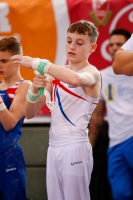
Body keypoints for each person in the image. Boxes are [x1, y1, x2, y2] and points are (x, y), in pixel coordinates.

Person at [11, 20, 101, 200]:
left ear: (92, 47)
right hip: (53, 147)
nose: (72, 46)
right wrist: (34, 91)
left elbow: (75, 80)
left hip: (75, 146)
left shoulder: (92, 73)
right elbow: (29, 113)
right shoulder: (55, 76)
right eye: (69, 41)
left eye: (79, 42)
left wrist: (37, 63)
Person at [89, 29, 133, 200]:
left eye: (119, 44)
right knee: (120, 194)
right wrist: (88, 147)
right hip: (115, 144)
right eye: (111, 44)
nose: (115, 48)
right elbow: (98, 116)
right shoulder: (103, 76)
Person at [0, 37, 31, 200]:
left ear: (17, 61)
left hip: (8, 156)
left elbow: (10, 123)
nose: (0, 65)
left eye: (4, 61)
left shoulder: (24, 86)